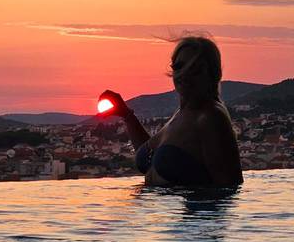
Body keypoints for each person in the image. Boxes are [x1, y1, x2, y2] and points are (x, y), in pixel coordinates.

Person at [98, 34, 243, 187]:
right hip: (156, 210)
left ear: (213, 74)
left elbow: (229, 187)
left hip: (185, 211)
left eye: (195, 69)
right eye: (179, 67)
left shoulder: (210, 118)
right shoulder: (182, 114)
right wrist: (126, 114)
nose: (184, 74)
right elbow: (150, 158)